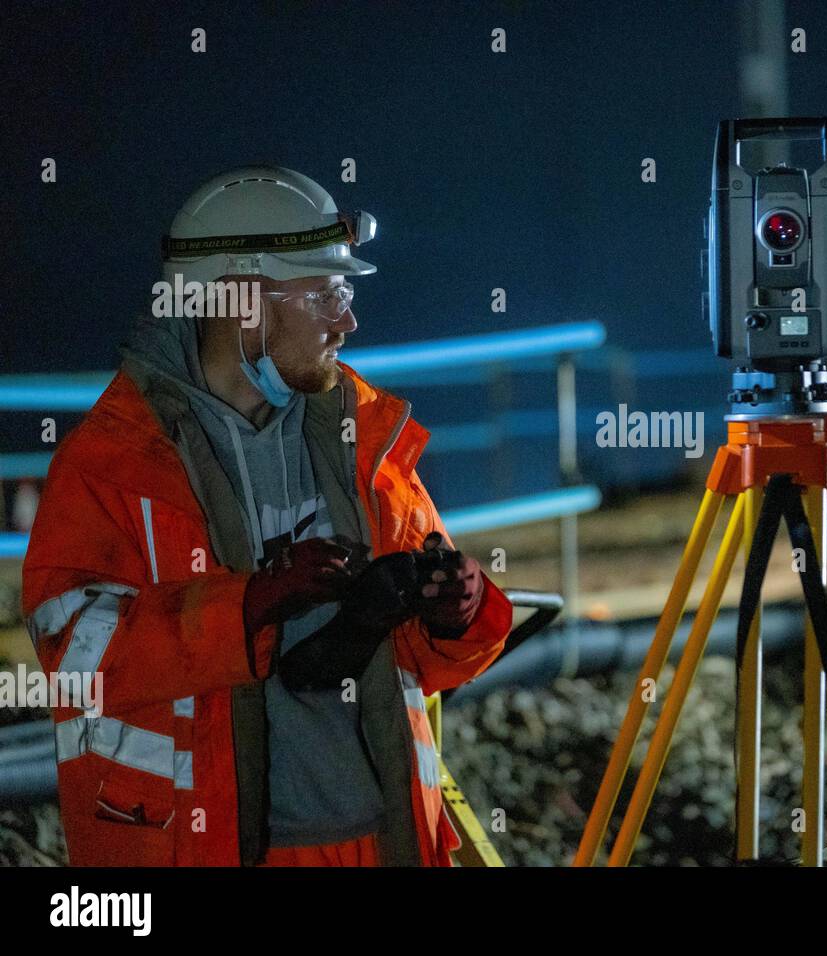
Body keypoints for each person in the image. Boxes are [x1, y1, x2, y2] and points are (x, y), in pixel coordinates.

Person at [22, 165, 513, 866]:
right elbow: (76, 659)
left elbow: (425, 667)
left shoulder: (361, 437)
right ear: (243, 299)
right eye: (326, 294)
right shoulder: (114, 463)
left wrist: (454, 616)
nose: (349, 319)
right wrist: (249, 606)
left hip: (381, 843)